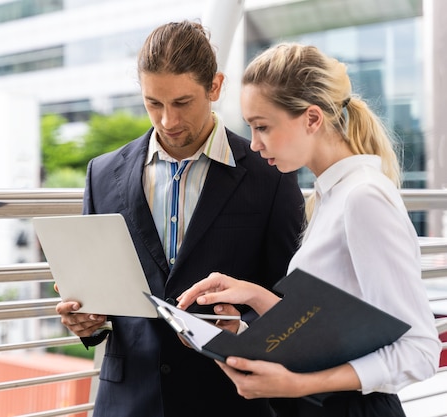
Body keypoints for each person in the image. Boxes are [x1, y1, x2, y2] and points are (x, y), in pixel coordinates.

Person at [177, 42, 442, 417]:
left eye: (262, 127)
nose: (254, 144)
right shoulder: (330, 194)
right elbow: (335, 334)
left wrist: (300, 384)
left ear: (312, 119)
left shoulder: (362, 198)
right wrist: (253, 297)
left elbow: (419, 350)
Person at [54, 21, 305, 417]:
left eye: (182, 102)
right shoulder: (101, 174)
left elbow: (288, 296)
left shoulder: (269, 174)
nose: (168, 121)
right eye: (154, 103)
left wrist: (241, 329)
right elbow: (98, 300)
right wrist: (87, 322)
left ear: (215, 87)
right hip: (127, 402)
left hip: (226, 399)